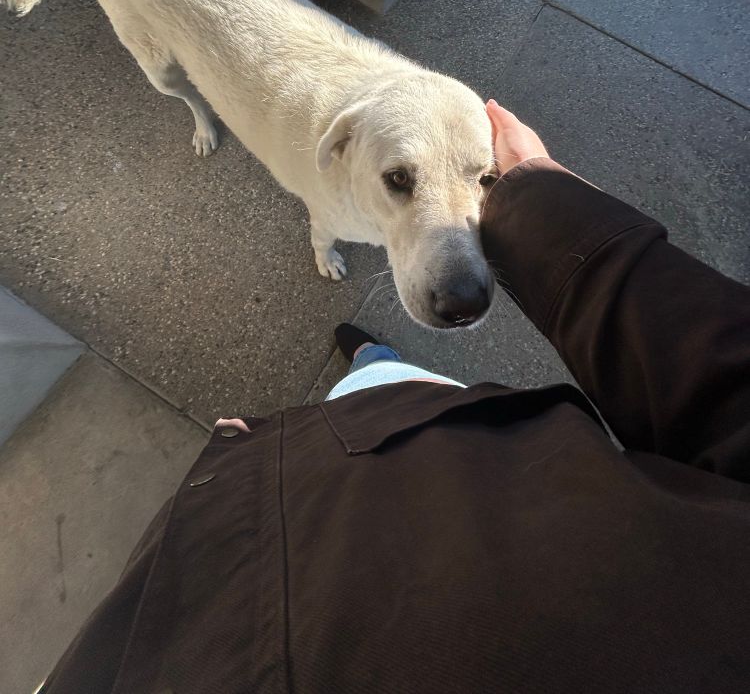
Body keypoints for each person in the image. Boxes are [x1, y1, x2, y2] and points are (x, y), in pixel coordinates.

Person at [42, 102, 750, 694]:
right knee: (398, 387)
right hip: (465, 459)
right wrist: (548, 206)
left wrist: (233, 474)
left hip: (272, 511)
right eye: (402, 180)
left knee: (379, 395)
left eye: (482, 179)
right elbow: (727, 389)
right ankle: (377, 363)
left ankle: (373, 369)